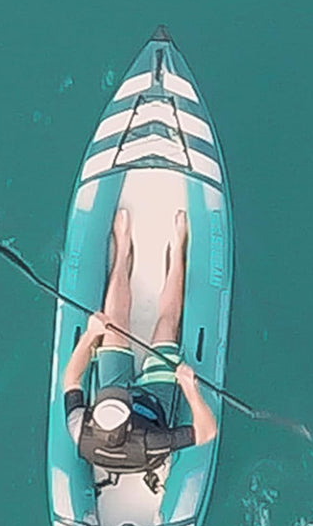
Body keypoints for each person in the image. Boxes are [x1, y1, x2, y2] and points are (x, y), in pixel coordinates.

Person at [62, 207, 217, 491]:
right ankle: (178, 251)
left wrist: (90, 335)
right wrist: (190, 390)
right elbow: (207, 432)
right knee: (166, 324)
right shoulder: (152, 441)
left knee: (112, 324)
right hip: (153, 402)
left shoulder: (79, 428)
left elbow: (71, 379)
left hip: (127, 411)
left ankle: (122, 253)